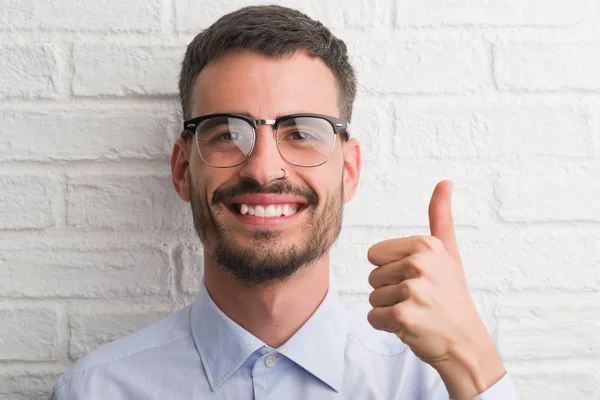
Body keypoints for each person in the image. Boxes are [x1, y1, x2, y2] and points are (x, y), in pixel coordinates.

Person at [49, 5, 518, 400]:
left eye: (302, 133)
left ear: (348, 170)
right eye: (228, 134)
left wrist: (472, 362)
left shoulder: (435, 383)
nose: (263, 168)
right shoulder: (95, 390)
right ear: (180, 170)